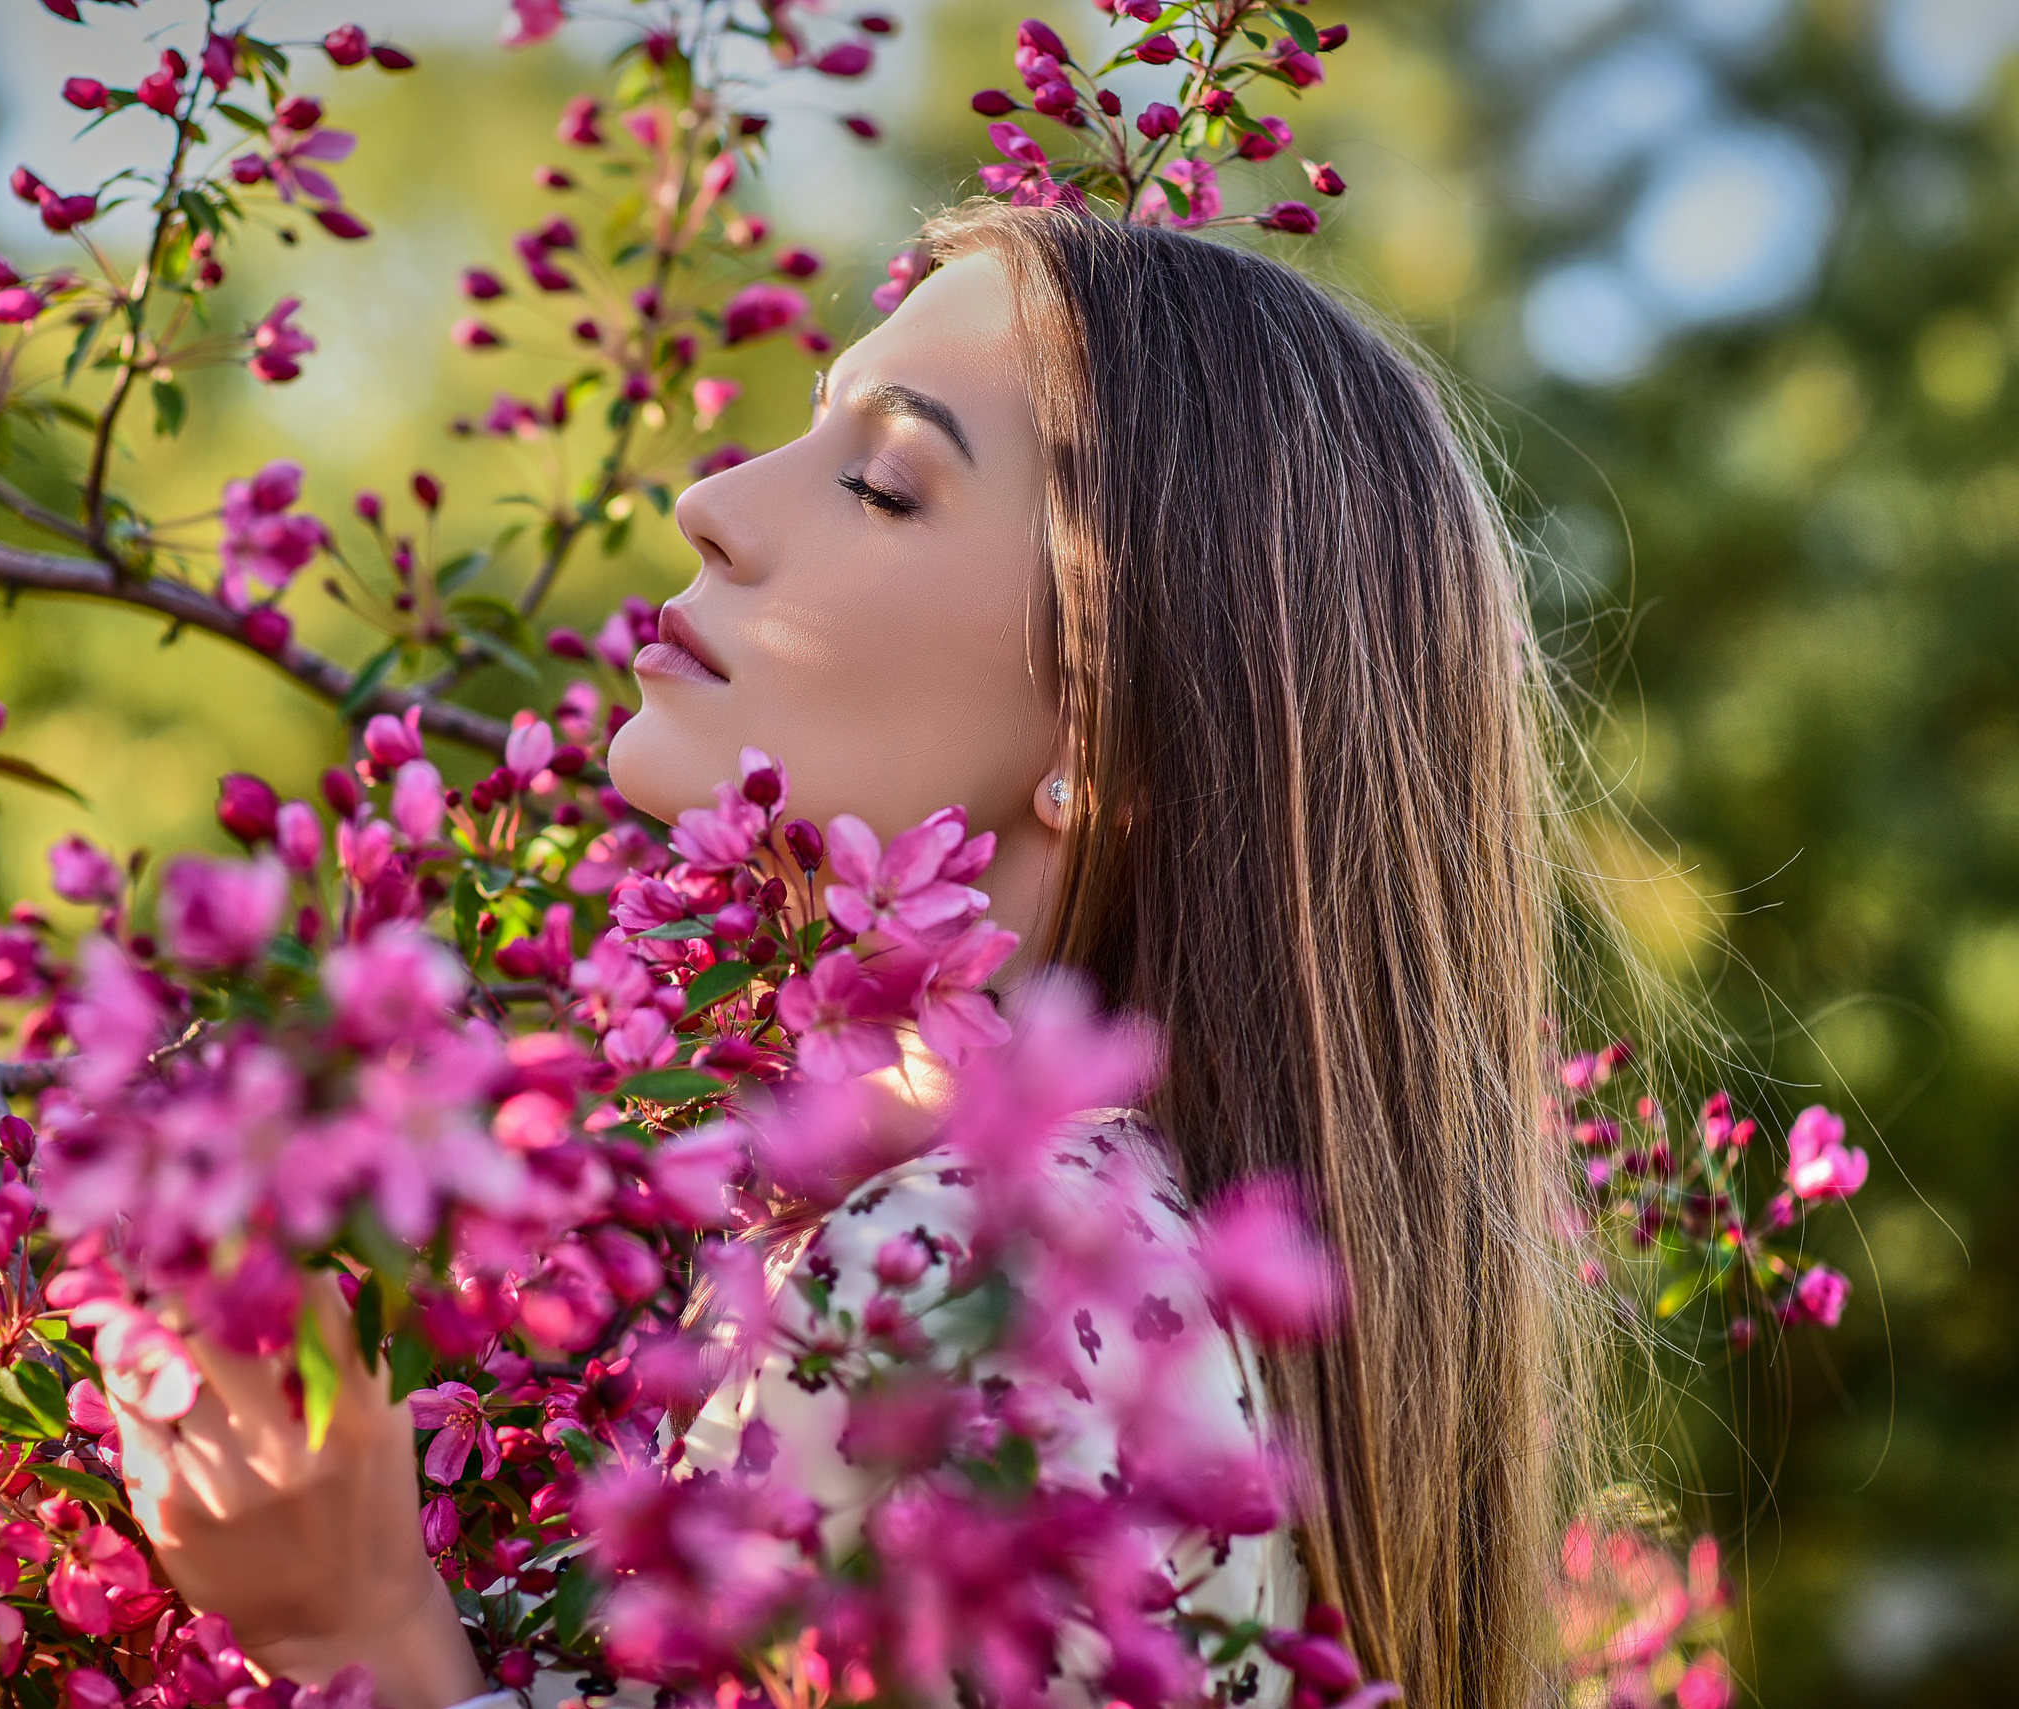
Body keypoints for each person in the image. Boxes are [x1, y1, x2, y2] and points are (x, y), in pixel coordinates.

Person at [112, 202, 1599, 1709]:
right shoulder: (1075, 1247)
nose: (710, 501)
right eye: (810, 429)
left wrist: (365, 1633)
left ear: (1113, 731)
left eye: (885, 483)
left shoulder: (970, 1273)